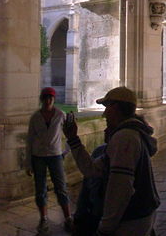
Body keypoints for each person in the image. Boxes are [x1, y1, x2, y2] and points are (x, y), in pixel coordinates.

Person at [63, 86, 160, 236]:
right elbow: (92, 170)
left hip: (131, 219)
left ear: (115, 108)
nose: (104, 114)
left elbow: (120, 188)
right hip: (140, 215)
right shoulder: (130, 134)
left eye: (106, 107)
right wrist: (73, 139)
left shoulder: (125, 138)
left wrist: (105, 228)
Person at [25, 87, 74, 234]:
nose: (48, 101)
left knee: (61, 188)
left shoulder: (60, 115)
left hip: (55, 156)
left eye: (50, 98)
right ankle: (44, 219)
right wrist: (28, 163)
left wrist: (65, 151)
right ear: (41, 99)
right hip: (38, 156)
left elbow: (71, 133)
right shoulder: (35, 117)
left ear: (54, 99)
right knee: (40, 189)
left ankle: (68, 218)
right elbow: (30, 140)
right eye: (45, 98)